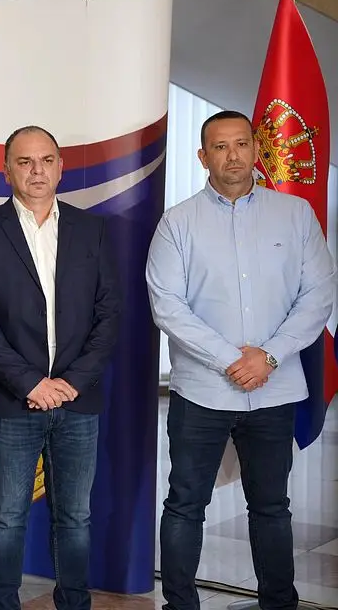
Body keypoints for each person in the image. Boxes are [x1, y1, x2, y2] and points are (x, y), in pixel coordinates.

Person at [147, 110, 336, 610]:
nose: (233, 155)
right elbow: (167, 305)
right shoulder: (178, 222)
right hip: (201, 391)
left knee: (271, 507)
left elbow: (318, 294)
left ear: (256, 149)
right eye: (220, 146)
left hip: (275, 390)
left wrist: (268, 356)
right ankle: (180, 604)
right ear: (202, 156)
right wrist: (233, 360)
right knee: (185, 505)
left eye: (241, 144)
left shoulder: (295, 215)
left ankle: (279, 602)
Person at [0, 125, 121, 610]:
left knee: (75, 518)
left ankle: (74, 603)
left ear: (61, 168)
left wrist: (71, 382)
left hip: (76, 400)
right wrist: (30, 383)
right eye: (24, 162)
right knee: (7, 516)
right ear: (6, 171)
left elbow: (109, 313)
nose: (37, 171)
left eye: (47, 160)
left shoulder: (92, 230)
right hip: (12, 400)